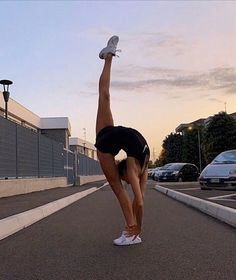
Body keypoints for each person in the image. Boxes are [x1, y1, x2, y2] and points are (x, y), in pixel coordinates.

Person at [95, 35, 150, 246]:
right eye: (128, 178)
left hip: (118, 134)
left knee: (105, 95)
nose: (128, 180)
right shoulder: (133, 168)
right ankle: (131, 234)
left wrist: (139, 225)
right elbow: (140, 201)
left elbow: (140, 200)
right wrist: (139, 227)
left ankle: (109, 55)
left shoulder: (142, 166)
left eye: (126, 178)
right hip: (109, 137)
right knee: (118, 190)